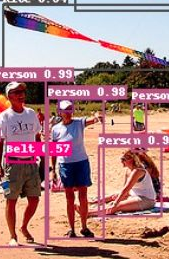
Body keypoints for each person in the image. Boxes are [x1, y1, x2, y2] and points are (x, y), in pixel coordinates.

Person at [0, 82, 42, 247]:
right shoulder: (5, 117)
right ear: (9, 96)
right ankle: (13, 235)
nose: (21, 94)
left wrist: (41, 156)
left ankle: (23, 226)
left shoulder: (31, 113)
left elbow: (37, 136)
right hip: (11, 164)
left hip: (31, 162)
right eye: (17, 92)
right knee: (11, 200)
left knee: (34, 199)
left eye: (22, 91)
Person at [50, 100, 103, 238]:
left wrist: (98, 116)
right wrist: (53, 170)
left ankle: (84, 227)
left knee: (83, 196)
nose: (67, 113)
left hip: (81, 162)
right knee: (69, 197)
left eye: (69, 109)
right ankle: (72, 229)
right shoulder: (55, 129)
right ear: (60, 112)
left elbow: (93, 119)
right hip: (65, 165)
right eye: (65, 110)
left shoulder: (79, 123)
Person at [87, 150, 156, 216]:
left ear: (132, 160)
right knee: (114, 196)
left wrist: (116, 203)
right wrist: (119, 197)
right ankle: (93, 203)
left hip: (146, 200)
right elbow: (125, 190)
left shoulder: (137, 171)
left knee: (117, 206)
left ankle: (89, 213)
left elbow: (126, 189)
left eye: (124, 159)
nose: (122, 161)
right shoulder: (128, 170)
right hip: (134, 195)